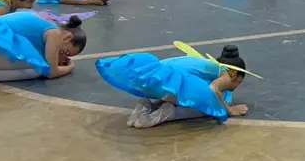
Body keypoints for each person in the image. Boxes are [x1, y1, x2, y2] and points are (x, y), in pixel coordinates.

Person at [97, 44, 252, 128]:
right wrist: (229, 111)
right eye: (239, 82)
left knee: (199, 95)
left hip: (154, 77)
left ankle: (150, 105)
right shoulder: (225, 72)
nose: (237, 86)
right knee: (213, 107)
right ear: (234, 74)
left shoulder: (208, 65)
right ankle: (167, 113)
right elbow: (213, 89)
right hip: (169, 80)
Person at [0, 12, 86, 84]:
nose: (63, 57)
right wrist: (69, 67)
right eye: (66, 52)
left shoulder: (45, 23)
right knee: (39, 68)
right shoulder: (55, 34)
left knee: (37, 62)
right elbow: (51, 73)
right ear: (67, 37)